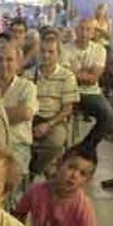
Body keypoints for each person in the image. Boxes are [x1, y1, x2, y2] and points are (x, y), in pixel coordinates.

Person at [0, 40, 38, 178]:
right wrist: (13, 112)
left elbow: (25, 113)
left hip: (17, 146)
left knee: (11, 181)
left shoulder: (27, 87)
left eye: (9, 60)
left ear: (18, 63)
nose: (4, 64)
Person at [27, 35, 80, 175]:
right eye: (43, 51)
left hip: (55, 119)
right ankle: (40, 167)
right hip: (31, 118)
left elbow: (68, 109)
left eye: (51, 52)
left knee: (55, 143)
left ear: (58, 54)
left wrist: (48, 124)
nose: (46, 55)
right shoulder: (29, 74)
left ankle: (34, 170)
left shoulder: (67, 76)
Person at [62, 19, 113, 151]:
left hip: (91, 92)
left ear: (93, 33)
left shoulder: (99, 50)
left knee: (109, 116)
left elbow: (93, 79)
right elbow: (66, 77)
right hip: (68, 91)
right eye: (81, 29)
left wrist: (75, 73)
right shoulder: (64, 49)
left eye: (88, 29)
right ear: (75, 30)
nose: (84, 33)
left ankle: (86, 148)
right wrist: (85, 74)